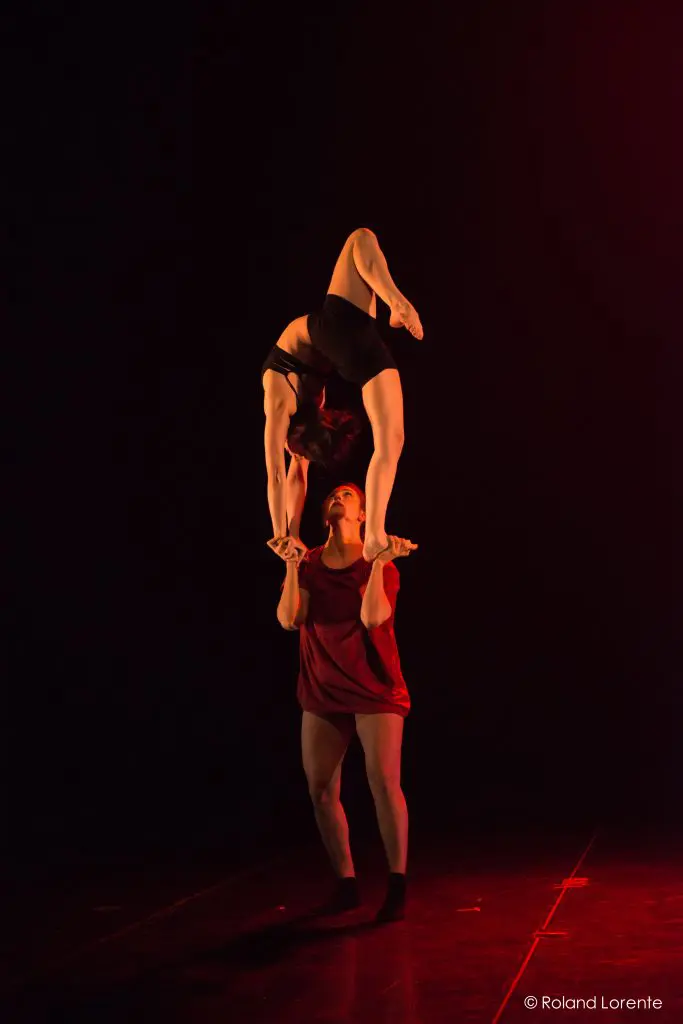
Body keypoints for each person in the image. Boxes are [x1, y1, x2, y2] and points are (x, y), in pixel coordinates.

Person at [269, 482, 417, 922]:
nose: (339, 497)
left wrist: (380, 563)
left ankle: (397, 883)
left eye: (349, 495)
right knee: (320, 788)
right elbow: (289, 619)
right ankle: (346, 883)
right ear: (324, 513)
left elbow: (373, 617)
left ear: (363, 516)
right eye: (334, 494)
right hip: (323, 684)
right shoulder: (309, 563)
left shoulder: (380, 563)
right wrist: (291, 565)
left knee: (383, 782)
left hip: (374, 686)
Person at [262, 227, 424, 564]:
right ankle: (396, 302)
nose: (294, 456)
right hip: (334, 331)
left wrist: (286, 533)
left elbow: (285, 474)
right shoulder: (282, 401)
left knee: (391, 440)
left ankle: (375, 533)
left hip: (350, 348)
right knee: (360, 239)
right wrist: (284, 532)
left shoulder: (294, 408)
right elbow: (280, 472)